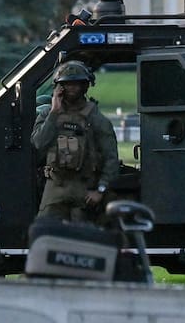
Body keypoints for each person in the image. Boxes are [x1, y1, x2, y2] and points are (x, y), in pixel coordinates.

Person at [31, 60, 120, 224]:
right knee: (43, 230)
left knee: (81, 234)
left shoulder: (96, 118)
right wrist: (54, 113)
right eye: (67, 84)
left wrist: (100, 190)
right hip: (55, 187)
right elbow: (38, 143)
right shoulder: (48, 114)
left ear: (85, 86)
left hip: (84, 188)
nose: (72, 88)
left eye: (76, 84)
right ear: (59, 87)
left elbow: (111, 158)